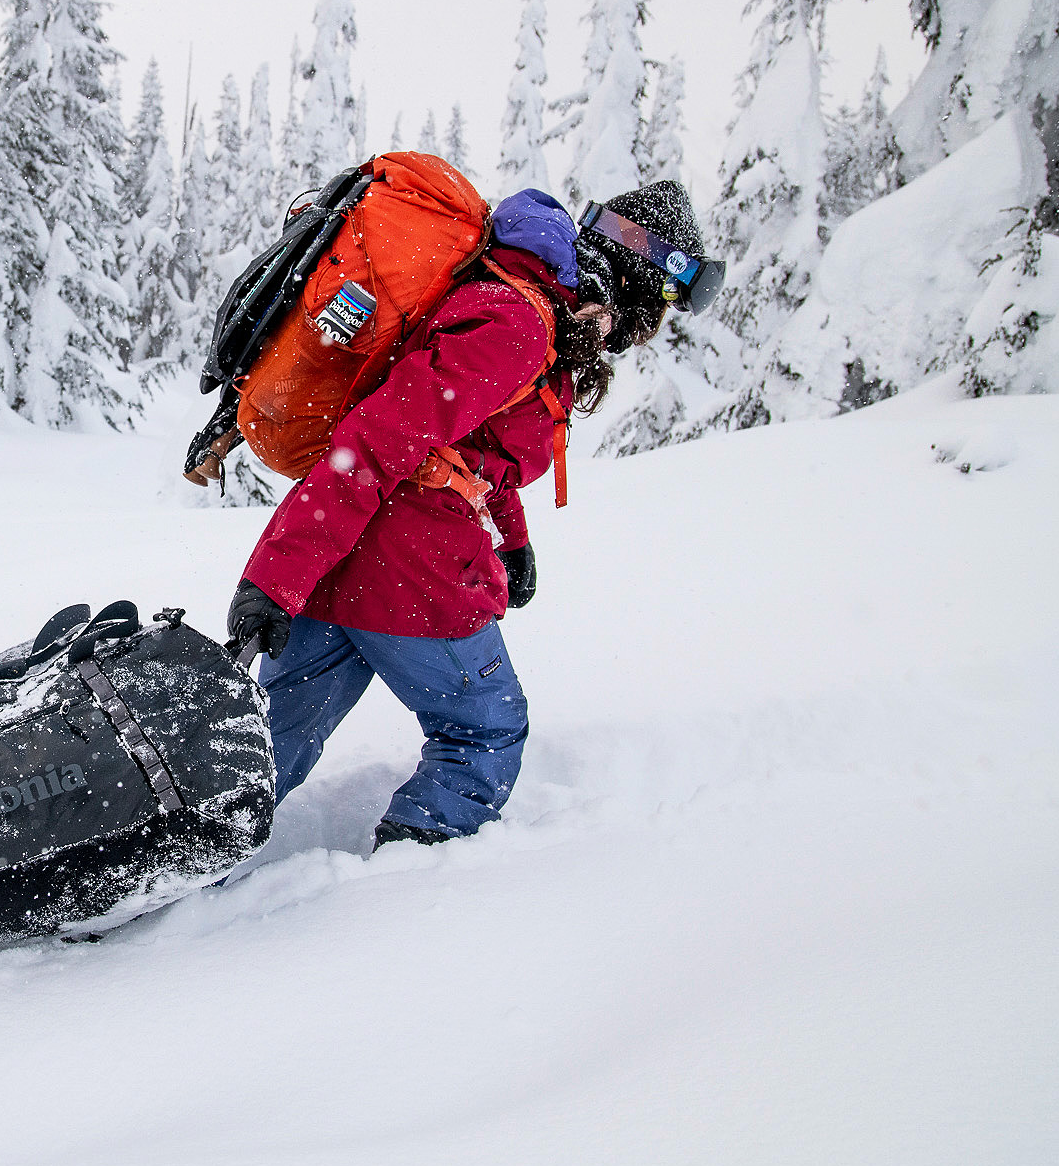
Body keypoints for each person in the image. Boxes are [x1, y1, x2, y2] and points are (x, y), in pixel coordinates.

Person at [225, 179, 711, 849]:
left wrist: (513, 538)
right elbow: (376, 440)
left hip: (341, 566)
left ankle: (165, 854)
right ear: (629, 287)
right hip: (409, 567)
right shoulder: (518, 325)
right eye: (649, 315)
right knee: (484, 730)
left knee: (265, 747)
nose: (628, 339)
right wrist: (272, 579)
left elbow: (468, 448)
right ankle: (406, 881)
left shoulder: (519, 298)